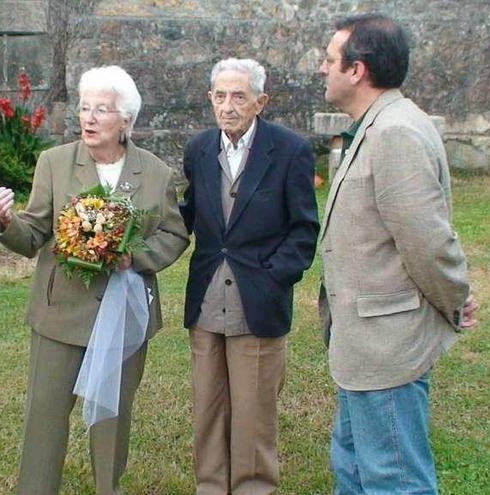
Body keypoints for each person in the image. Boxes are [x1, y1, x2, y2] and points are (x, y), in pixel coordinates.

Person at [0, 65, 189, 495]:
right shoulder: (55, 163)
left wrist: (135, 257)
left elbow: (174, 233)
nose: (89, 118)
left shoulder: (154, 172)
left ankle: (107, 488)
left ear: (127, 120)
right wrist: (6, 220)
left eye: (102, 109)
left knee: (112, 418)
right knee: (45, 416)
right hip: (61, 315)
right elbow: (34, 233)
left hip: (125, 318)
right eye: (84, 108)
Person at [317, 13, 480, 494]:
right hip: (363, 344)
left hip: (387, 347)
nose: (322, 69)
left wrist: (455, 298)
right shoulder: (378, 124)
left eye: (329, 60)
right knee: (354, 468)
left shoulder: (395, 133)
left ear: (357, 70)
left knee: (393, 479)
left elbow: (428, 241)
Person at [180, 58, 320, 494]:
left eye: (239, 96)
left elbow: (304, 230)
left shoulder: (290, 150)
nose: (228, 106)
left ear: (260, 102)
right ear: (209, 100)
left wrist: (272, 277)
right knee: (208, 408)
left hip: (257, 305)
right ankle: (211, 486)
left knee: (254, 413)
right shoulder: (199, 149)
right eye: (220, 96)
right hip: (206, 304)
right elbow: (184, 216)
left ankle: (253, 487)